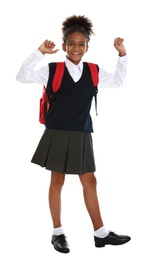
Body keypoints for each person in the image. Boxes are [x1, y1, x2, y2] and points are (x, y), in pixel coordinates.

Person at [16, 15, 131, 253]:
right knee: (57, 181)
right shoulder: (52, 70)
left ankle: (100, 234)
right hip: (57, 132)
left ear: (87, 47)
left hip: (82, 133)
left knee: (90, 180)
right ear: (64, 45)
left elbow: (119, 81)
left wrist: (122, 55)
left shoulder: (94, 71)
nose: (76, 48)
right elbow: (21, 76)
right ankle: (57, 233)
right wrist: (40, 52)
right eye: (71, 44)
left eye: (81, 44)